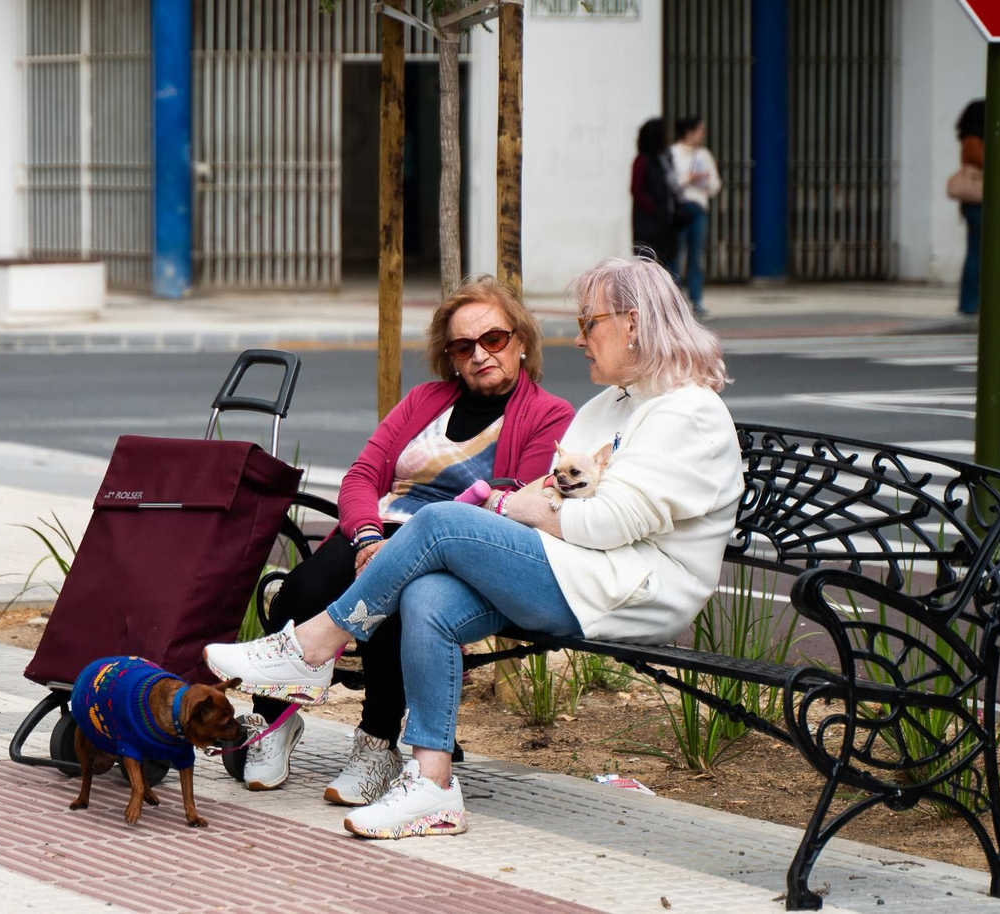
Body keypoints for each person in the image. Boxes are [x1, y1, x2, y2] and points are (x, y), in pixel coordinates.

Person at [208, 255, 744, 839]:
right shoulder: (613, 404)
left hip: (632, 589)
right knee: (429, 595)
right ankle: (432, 786)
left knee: (439, 521)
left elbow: (604, 518)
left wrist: (508, 505)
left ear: (633, 323)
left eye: (590, 323)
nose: (580, 337)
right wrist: (536, 504)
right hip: (581, 568)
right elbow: (559, 496)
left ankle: (311, 648)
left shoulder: (688, 412)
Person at [236, 276, 574, 805]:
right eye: (465, 346)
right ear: (451, 357)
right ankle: (276, 720)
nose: (481, 354)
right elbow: (363, 476)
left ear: (522, 341)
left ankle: (377, 744)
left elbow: (513, 505)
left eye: (494, 339)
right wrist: (369, 535)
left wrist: (403, 547)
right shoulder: (424, 401)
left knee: (398, 605)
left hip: (457, 548)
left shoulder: (549, 415)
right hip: (379, 530)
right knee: (302, 589)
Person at [669, 116, 722, 321]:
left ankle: (697, 299)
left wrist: (705, 181)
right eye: (701, 130)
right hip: (679, 209)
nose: (703, 134)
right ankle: (675, 299)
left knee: (696, 257)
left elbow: (716, 185)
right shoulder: (673, 154)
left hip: (699, 209)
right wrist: (688, 179)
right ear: (689, 131)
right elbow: (669, 184)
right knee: (675, 256)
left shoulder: (704, 155)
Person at [948, 100, 986, 316]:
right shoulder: (973, 140)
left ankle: (974, 302)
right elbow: (986, 161)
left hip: (975, 205)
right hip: (977, 204)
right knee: (977, 254)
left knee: (978, 253)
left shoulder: (972, 138)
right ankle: (970, 303)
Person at [630, 117, 679, 270]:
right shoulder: (642, 160)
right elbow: (636, 190)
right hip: (648, 224)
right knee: (648, 262)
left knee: (666, 260)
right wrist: (654, 209)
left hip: (664, 223)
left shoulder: (664, 160)